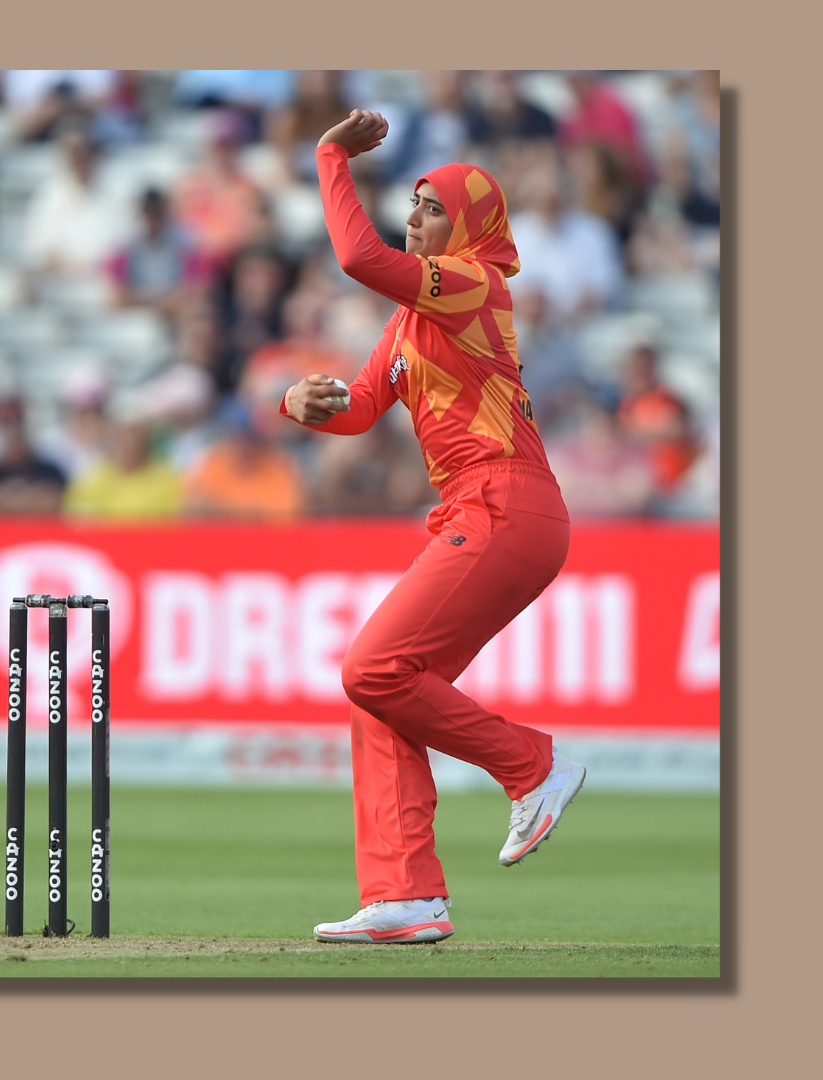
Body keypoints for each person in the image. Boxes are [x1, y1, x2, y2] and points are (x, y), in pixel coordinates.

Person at [282, 110, 586, 945]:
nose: (413, 218)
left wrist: (331, 156)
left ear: (474, 224)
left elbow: (353, 255)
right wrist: (302, 404)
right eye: (412, 205)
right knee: (386, 692)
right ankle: (406, 895)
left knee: (371, 666)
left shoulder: (475, 282)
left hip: (507, 503)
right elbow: (359, 410)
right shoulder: (411, 319)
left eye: (430, 206)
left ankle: (534, 765)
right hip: (480, 509)